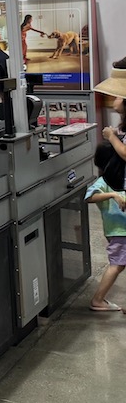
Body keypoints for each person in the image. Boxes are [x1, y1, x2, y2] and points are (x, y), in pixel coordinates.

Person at [87, 71, 126, 312]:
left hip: (119, 225)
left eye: (118, 96)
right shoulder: (107, 184)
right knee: (118, 262)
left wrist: (111, 137)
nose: (114, 99)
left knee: (119, 262)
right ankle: (98, 299)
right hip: (120, 226)